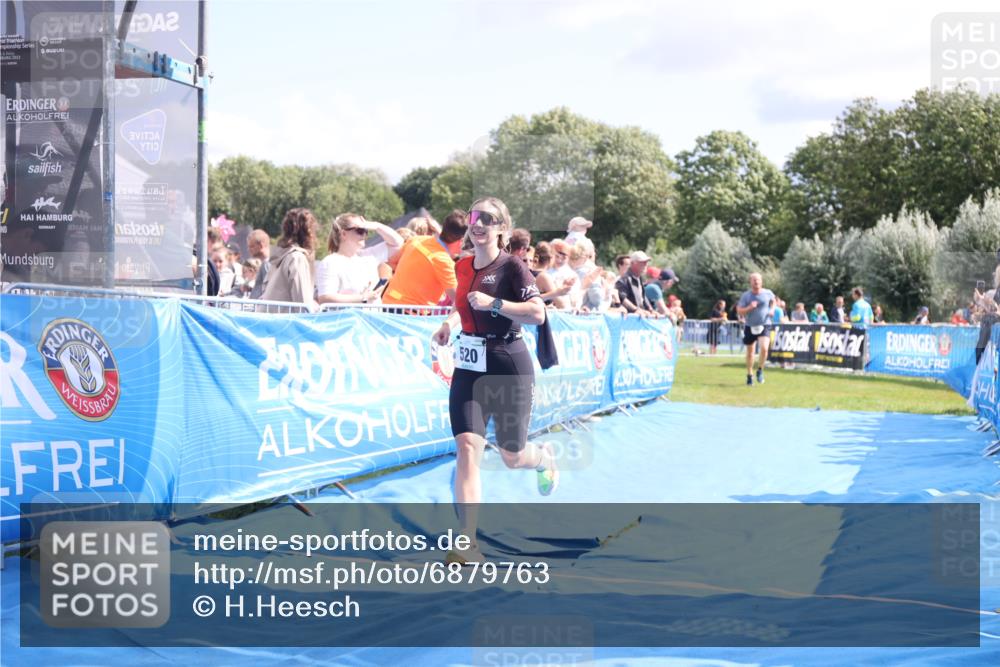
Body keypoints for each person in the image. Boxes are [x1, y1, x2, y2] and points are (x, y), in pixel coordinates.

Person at [430, 197, 554, 565]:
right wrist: (447, 325)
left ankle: (543, 458)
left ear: (501, 227)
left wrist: (495, 305)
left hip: (508, 363)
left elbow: (537, 312)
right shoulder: (463, 265)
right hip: (469, 365)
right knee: (467, 448)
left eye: (488, 218)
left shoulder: (513, 266)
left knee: (512, 456)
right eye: (474, 216)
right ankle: (467, 542)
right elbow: (463, 306)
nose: (478, 223)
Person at [383, 210, 468, 306]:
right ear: (462, 241)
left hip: (388, 304)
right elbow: (458, 299)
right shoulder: (444, 262)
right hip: (410, 315)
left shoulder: (417, 240)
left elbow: (392, 263)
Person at [315, 213, 403, 305]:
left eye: (366, 231)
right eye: (360, 231)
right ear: (344, 234)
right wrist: (363, 297)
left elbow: (398, 243)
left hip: (372, 317)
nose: (364, 235)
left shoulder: (370, 256)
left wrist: (377, 226)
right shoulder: (330, 263)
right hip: (347, 318)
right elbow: (325, 298)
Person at [261, 207, 319, 310]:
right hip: (285, 322)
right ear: (309, 231)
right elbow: (302, 302)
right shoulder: (297, 258)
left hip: (271, 319)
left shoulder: (281, 255)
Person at [736, 272, 775, 386]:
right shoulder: (746, 296)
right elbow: (739, 310)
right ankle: (749, 375)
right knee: (750, 353)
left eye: (758, 280)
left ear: (761, 281)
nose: (756, 282)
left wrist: (772, 310)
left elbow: (773, 301)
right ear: (750, 282)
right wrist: (749, 307)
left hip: (765, 324)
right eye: (754, 280)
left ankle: (760, 370)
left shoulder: (768, 293)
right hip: (750, 325)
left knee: (764, 348)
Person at [615, 251, 655, 316]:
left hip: (639, 318)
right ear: (633, 263)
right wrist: (636, 310)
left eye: (646, 262)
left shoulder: (639, 278)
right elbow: (622, 299)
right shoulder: (623, 280)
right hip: (629, 321)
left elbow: (643, 297)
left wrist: (651, 310)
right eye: (643, 262)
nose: (646, 265)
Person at [247, 229, 271, 299]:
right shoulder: (265, 263)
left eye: (251, 246)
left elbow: (268, 288)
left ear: (261, 245)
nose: (249, 249)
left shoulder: (267, 264)